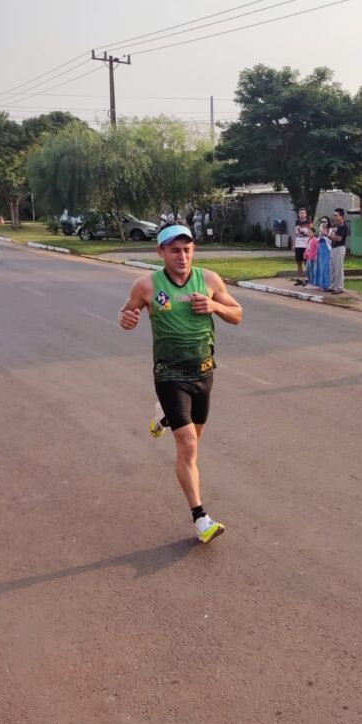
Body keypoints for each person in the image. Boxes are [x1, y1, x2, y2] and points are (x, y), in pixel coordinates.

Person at [118, 223, 243, 543]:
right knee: (187, 444)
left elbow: (237, 313)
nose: (182, 256)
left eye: (187, 249)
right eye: (174, 250)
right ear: (160, 252)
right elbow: (126, 314)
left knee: (193, 442)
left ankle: (164, 417)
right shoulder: (146, 285)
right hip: (169, 374)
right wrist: (126, 319)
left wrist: (214, 306)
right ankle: (200, 517)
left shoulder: (209, 279)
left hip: (203, 372)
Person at [328, 208, 349, 294]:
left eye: (336, 215)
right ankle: (332, 286)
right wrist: (330, 235)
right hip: (333, 247)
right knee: (332, 269)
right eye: (334, 215)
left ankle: (339, 287)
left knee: (338, 269)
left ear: (341, 216)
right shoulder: (335, 226)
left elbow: (339, 238)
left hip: (339, 248)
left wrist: (329, 235)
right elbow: (332, 236)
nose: (334, 217)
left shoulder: (343, 226)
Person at [293, 207, 312, 280]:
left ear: (306, 214)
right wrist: (293, 245)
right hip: (298, 245)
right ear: (298, 214)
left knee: (307, 263)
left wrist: (303, 232)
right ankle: (299, 279)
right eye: (300, 213)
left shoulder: (309, 223)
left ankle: (309, 279)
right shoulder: (296, 222)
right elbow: (294, 233)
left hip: (306, 245)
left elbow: (311, 234)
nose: (302, 214)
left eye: (303, 213)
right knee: (298, 262)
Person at [314, 217, 332, 290]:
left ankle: (326, 284)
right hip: (320, 248)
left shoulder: (330, 229)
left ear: (328, 222)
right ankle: (320, 283)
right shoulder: (320, 227)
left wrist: (324, 236)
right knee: (320, 265)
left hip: (326, 248)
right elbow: (318, 238)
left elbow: (330, 240)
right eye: (322, 221)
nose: (323, 223)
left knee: (325, 265)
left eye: (325, 221)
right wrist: (320, 236)